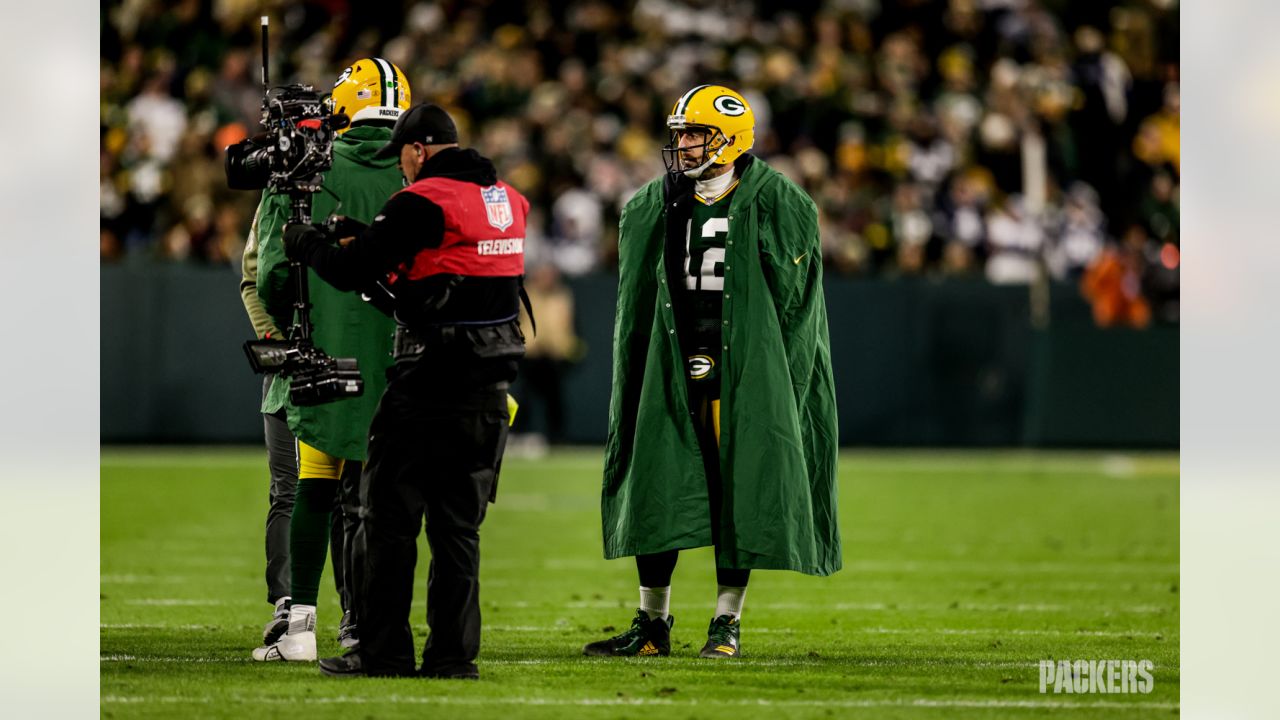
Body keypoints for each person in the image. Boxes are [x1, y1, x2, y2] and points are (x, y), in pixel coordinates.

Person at [586, 85, 840, 659]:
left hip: (744, 370)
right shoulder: (653, 201)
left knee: (738, 493)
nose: (682, 145)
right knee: (656, 484)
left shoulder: (780, 200)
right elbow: (635, 305)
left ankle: (726, 621)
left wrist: (789, 387)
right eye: (679, 135)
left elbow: (799, 310)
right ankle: (652, 622)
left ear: (730, 137)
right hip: (670, 367)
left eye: (694, 134)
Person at [282, 103, 528, 678]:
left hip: (428, 384)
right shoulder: (508, 201)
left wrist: (305, 243)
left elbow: (351, 273)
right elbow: (450, 264)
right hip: (490, 388)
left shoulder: (423, 199)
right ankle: (453, 657)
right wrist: (367, 235)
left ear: (417, 149)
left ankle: (384, 651)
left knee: (388, 521)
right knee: (457, 530)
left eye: (402, 158)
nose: (401, 170)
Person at [241, 58, 411, 663]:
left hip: (324, 355)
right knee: (387, 502)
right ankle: (375, 625)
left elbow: (273, 276)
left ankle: (300, 625)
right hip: (403, 363)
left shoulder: (311, 163)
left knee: (310, 489)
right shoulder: (421, 171)